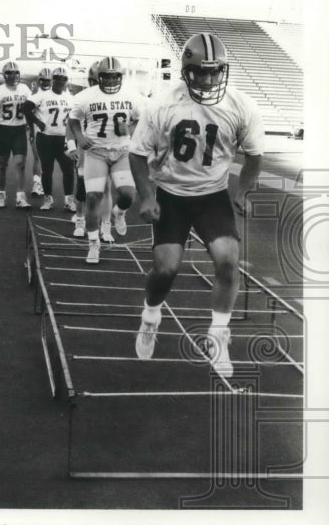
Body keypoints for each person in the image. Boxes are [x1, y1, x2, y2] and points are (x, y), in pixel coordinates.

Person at [129, 32, 263, 378]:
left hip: (212, 195)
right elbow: (137, 153)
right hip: (172, 194)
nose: (207, 79)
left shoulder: (241, 105)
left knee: (228, 261)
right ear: (185, 72)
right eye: (200, 73)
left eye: (215, 71)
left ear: (224, 70)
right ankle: (150, 316)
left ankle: (217, 337)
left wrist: (242, 192)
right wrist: (146, 196)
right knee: (166, 270)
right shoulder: (163, 104)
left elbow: (254, 155)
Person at [67, 56, 141, 263]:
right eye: (106, 77)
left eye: (114, 76)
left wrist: (128, 128)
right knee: (93, 197)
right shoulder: (85, 96)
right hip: (96, 152)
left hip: (122, 152)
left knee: (128, 195)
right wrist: (79, 137)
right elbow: (72, 119)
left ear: (120, 77)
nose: (110, 80)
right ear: (99, 77)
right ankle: (93, 244)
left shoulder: (133, 96)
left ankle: (119, 213)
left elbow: (140, 120)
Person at [23, 67, 75, 211]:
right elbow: (26, 107)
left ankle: (69, 201)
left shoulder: (71, 98)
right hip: (45, 138)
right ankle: (48, 199)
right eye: (57, 78)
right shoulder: (42, 95)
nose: (60, 81)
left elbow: (77, 117)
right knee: (47, 170)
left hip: (63, 138)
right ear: (53, 79)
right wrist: (36, 121)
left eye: (63, 78)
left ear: (67, 81)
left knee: (68, 170)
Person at [0, 60, 33, 208]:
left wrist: (32, 127)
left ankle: (20, 197)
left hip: (19, 129)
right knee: (2, 165)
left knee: (20, 164)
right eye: (10, 73)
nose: (13, 76)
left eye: (16, 73)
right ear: (4, 75)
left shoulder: (24, 89)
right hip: (4, 130)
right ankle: (1, 195)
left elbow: (31, 108)